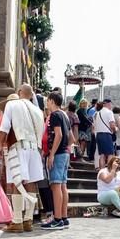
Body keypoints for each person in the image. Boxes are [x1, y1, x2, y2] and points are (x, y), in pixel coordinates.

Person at [0, 85, 45, 233]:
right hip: (34, 148)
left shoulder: (12, 104)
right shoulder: (39, 111)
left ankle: (17, 220)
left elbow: (4, 127)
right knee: (30, 182)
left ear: (19, 93)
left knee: (17, 181)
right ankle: (28, 219)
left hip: (18, 146)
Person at [43, 92, 74, 230]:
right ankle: (63, 217)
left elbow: (59, 134)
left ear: (51, 101)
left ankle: (57, 219)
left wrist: (52, 154)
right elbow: (71, 138)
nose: (46, 103)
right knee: (62, 185)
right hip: (65, 153)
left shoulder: (55, 115)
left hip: (58, 153)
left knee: (55, 185)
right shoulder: (65, 115)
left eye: (47, 101)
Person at [93, 98, 116, 170]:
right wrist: (115, 129)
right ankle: (109, 170)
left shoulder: (97, 113)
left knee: (102, 155)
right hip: (106, 134)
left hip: (99, 135)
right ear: (108, 104)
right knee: (110, 154)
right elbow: (112, 125)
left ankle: (102, 171)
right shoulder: (109, 112)